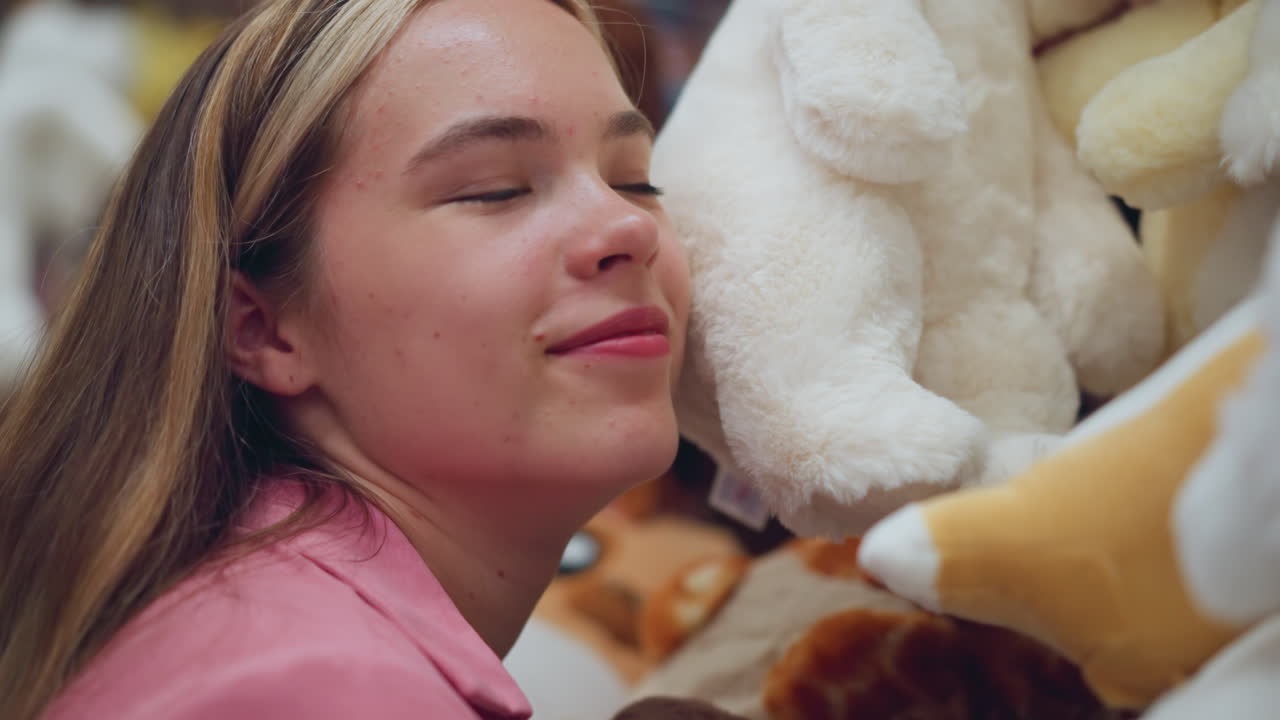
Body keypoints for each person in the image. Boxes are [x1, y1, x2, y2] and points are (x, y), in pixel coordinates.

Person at [0, 0, 690, 717]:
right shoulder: (317, 689)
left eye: (635, 179)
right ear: (262, 329)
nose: (629, 225)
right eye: (496, 190)